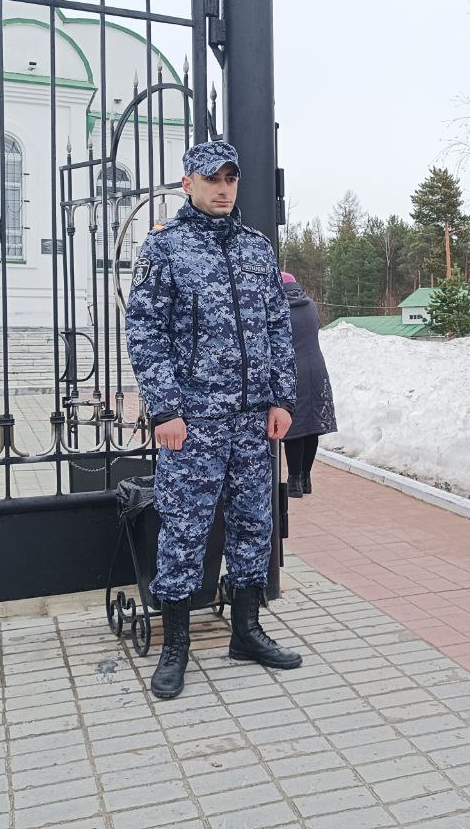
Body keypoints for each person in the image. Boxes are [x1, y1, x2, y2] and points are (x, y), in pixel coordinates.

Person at [126, 139, 301, 700]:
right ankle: (175, 643)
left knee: (254, 523)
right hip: (193, 421)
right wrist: (166, 408)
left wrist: (281, 398)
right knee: (185, 528)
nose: (223, 188)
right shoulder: (165, 249)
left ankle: (246, 631)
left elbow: (278, 328)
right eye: (212, 179)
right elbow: (144, 331)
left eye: (231, 178)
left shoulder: (256, 249)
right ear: (188, 184)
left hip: (252, 420)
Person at [279, 272, 337, 498]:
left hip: (293, 369)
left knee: (296, 424)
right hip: (316, 367)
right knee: (312, 423)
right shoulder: (310, 304)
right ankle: (306, 477)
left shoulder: (280, 307)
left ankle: (293, 480)